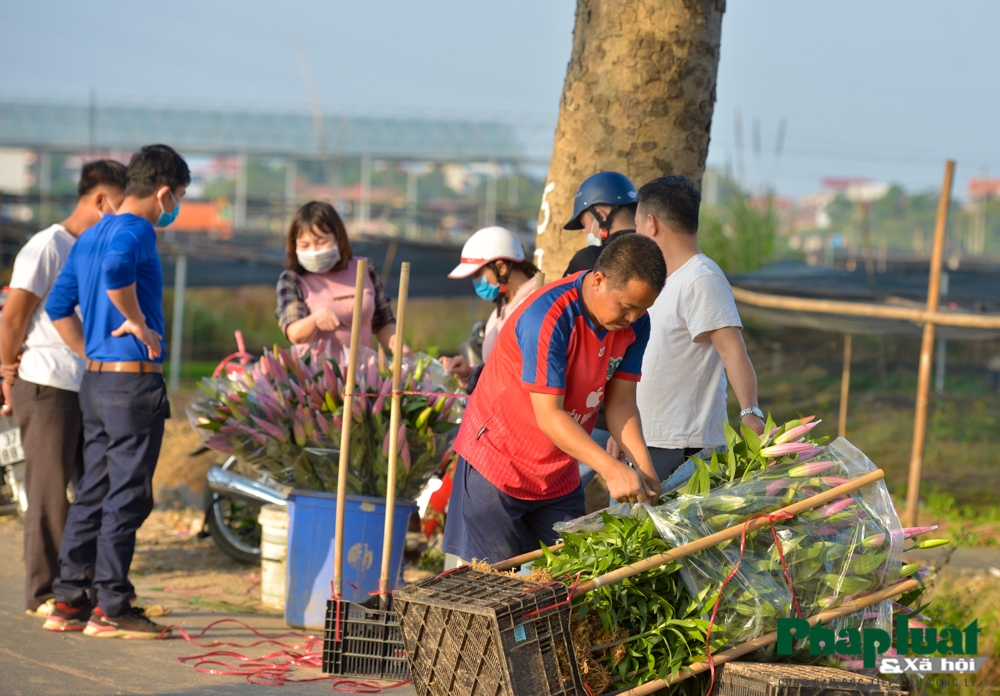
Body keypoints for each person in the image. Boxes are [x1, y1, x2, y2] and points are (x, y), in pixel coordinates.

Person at [442, 233, 667, 565]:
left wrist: (645, 472)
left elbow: (620, 403)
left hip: (557, 472)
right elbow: (549, 415)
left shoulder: (636, 326)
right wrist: (611, 469)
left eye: (642, 309)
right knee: (491, 589)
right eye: (627, 307)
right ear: (599, 280)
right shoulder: (549, 315)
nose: (632, 319)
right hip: (497, 462)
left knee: (566, 583)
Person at [42, 144, 189, 639]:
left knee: (92, 492)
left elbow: (58, 306)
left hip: (98, 381)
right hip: (132, 386)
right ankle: (112, 606)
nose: (175, 209)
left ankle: (69, 599)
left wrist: (89, 350)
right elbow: (115, 272)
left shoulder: (88, 235)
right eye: (179, 198)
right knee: (126, 496)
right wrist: (136, 320)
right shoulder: (137, 229)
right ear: (164, 192)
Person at [0, 160, 126, 618]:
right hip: (47, 382)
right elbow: (13, 316)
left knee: (92, 488)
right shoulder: (48, 245)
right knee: (49, 492)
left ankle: (82, 589)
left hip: (84, 383)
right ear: (99, 200)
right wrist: (6, 371)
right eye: (118, 205)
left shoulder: (90, 248)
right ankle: (42, 592)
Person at [632, 175, 765, 483]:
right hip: (646, 439)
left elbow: (733, 350)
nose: (637, 233)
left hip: (682, 446)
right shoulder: (663, 280)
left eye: (637, 225)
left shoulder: (701, 278)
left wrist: (750, 412)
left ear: (651, 224)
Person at [562, 171, 639, 488]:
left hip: (586, 414)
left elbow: (561, 333)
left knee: (552, 497)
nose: (588, 233)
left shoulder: (589, 262)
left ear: (601, 214)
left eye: (587, 224)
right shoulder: (658, 262)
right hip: (634, 415)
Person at [275, 201, 401, 353]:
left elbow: (382, 321)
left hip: (363, 371)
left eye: (321, 242)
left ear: (338, 238)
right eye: (304, 245)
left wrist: (396, 343)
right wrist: (315, 319)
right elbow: (294, 332)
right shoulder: (292, 280)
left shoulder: (363, 269)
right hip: (316, 373)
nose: (314, 251)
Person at [439, 226, 538, 390]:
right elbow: (498, 370)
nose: (475, 281)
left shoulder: (535, 304)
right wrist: (470, 374)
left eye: (478, 274)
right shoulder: (504, 308)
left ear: (501, 267)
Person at [562, 171, 638, 277]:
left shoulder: (590, 258)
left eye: (585, 225)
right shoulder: (662, 252)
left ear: (601, 216)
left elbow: (561, 293)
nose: (587, 232)